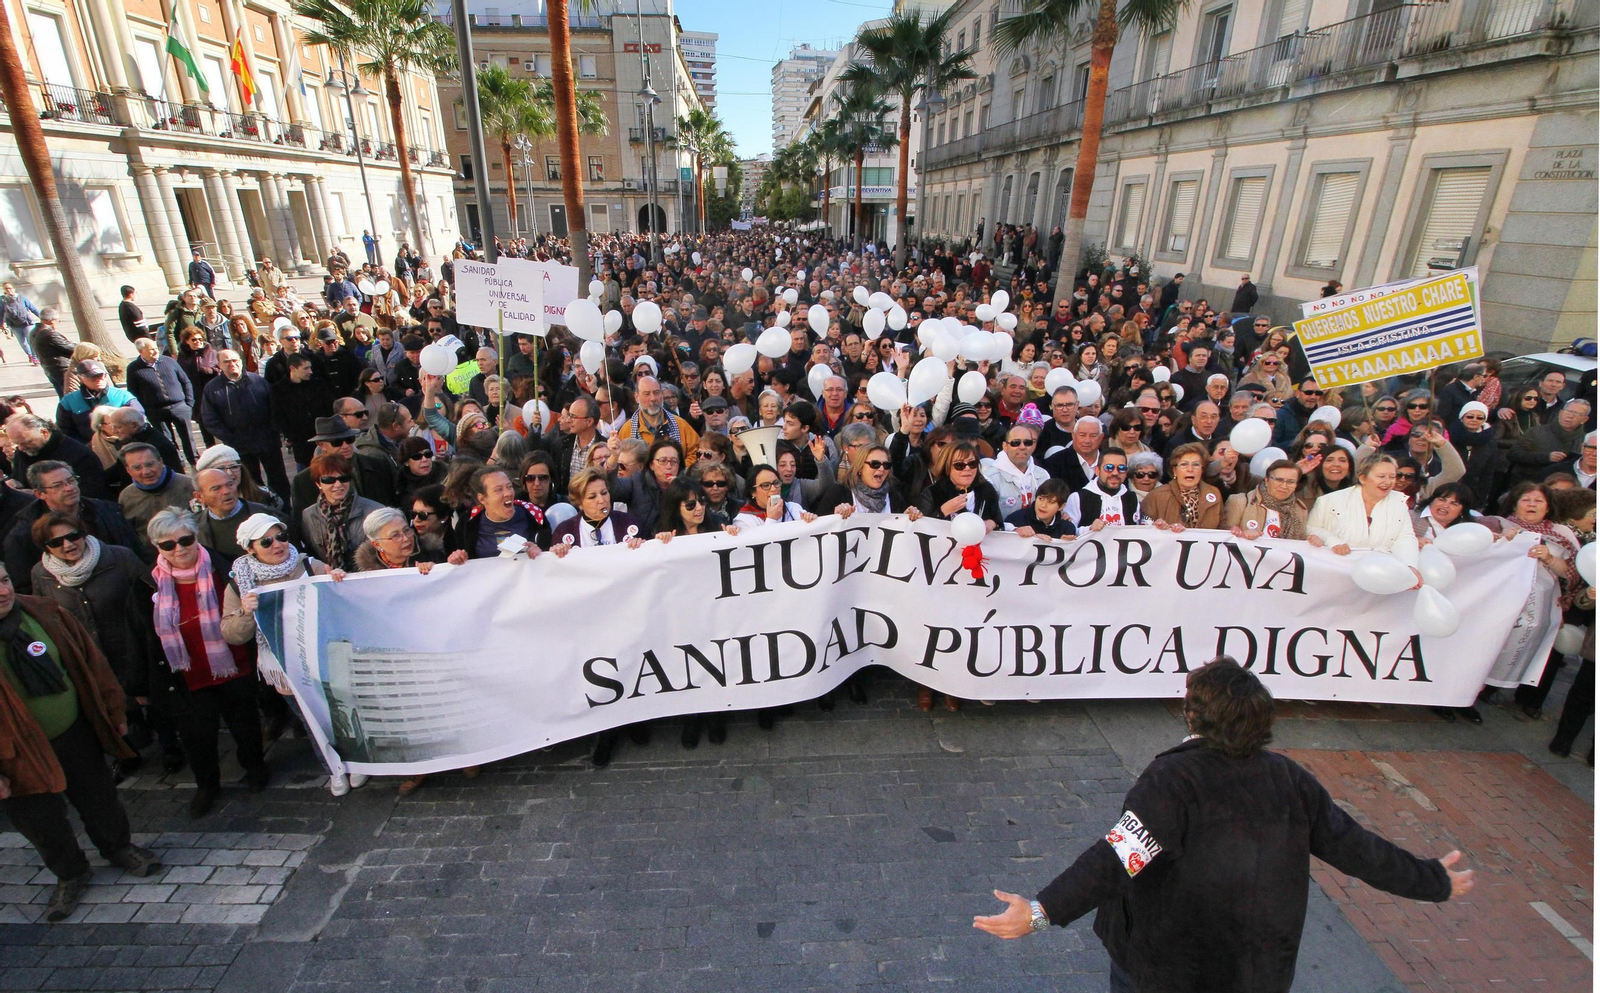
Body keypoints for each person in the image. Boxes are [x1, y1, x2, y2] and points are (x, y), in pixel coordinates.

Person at [973, 657, 1473, 993]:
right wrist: (1432, 880)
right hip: (1258, 969)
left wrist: (1039, 913)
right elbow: (1356, 847)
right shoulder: (1289, 778)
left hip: (1165, 967)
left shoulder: (1173, 781)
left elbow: (1116, 859)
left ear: (1195, 716)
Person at [0, 559, 163, 921]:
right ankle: (71, 873)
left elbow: (92, 663)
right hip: (16, 755)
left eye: (5, 579)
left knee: (100, 798)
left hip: (74, 732)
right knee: (40, 822)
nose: (3, 591)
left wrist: (113, 712)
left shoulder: (45, 612)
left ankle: (118, 848)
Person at [143, 507, 269, 819]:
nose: (179, 549)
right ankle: (207, 785)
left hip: (234, 663)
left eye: (185, 540)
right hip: (187, 671)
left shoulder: (226, 568)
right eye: (168, 545)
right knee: (197, 733)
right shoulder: (148, 582)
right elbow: (140, 632)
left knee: (245, 722)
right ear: (157, 548)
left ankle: (255, 767)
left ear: (196, 537)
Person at [199, 349, 291, 499]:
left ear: (241, 362)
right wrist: (231, 438)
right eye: (227, 362)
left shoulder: (258, 381)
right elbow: (210, 419)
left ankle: (285, 506)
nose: (232, 364)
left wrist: (274, 431)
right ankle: (260, 508)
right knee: (250, 482)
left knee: (278, 478)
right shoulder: (212, 389)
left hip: (267, 440)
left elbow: (275, 408)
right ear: (219, 365)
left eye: (235, 360)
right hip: (239, 445)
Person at [1307, 452, 1420, 567]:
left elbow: (1405, 537)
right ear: (1363, 478)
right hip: (1336, 566)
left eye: (1392, 477)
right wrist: (1331, 541)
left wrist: (1410, 566)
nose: (1388, 482)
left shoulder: (1399, 502)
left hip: (1381, 569)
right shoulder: (1329, 501)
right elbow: (1311, 528)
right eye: (1381, 476)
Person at [300, 454, 383, 571]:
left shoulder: (374, 511)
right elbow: (312, 554)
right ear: (318, 484)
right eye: (329, 480)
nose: (338, 485)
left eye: (343, 478)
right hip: (331, 580)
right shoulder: (309, 515)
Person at [126, 338, 198, 464]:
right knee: (167, 440)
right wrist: (145, 411)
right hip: (156, 411)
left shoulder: (168, 361)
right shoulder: (134, 368)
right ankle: (176, 463)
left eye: (155, 348)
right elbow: (133, 392)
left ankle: (194, 461)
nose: (155, 351)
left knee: (188, 438)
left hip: (179, 407)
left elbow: (185, 381)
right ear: (141, 351)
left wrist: (189, 403)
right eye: (151, 349)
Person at [454, 466, 551, 559]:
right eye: (498, 490)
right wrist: (458, 558)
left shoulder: (535, 516)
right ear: (482, 499)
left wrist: (540, 552)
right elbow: (454, 561)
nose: (508, 493)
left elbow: (549, 558)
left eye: (509, 487)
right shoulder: (467, 523)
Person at [117, 443, 196, 539]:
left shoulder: (190, 486)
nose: (146, 472)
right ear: (128, 470)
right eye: (137, 467)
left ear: (161, 462)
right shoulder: (127, 496)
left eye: (150, 464)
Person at [1141, 443, 1224, 531]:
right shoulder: (1157, 495)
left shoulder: (1214, 493)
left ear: (1202, 470)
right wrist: (1159, 527)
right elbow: (1142, 530)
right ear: (1174, 470)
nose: (1190, 469)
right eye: (1184, 464)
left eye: (1196, 464)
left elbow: (1223, 528)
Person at [984, 424, 1052, 521]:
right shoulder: (990, 478)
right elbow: (988, 520)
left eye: (1028, 442)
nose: (1022, 447)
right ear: (1005, 446)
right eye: (1016, 443)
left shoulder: (1043, 475)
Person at [1063, 448, 1142, 530]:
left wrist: (1153, 527)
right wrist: (1089, 529)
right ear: (1097, 470)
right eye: (1109, 467)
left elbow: (1137, 531)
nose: (1115, 473)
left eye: (1121, 468)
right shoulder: (1078, 498)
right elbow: (1068, 533)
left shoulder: (1132, 498)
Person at [1226, 460, 1307, 540]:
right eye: (1279, 480)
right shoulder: (1240, 502)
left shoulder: (1300, 508)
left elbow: (1301, 541)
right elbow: (1222, 537)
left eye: (1291, 482)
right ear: (1266, 480)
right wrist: (1242, 534)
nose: (1284, 486)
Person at [1004, 477, 1075, 539]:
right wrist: (1016, 531)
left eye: (1051, 502)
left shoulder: (1066, 527)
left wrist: (1064, 543)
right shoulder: (1016, 519)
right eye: (1041, 499)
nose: (1043, 505)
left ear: (1061, 506)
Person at [28, 309, 75, 398]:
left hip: (49, 369)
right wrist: (83, 347)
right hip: (62, 369)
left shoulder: (33, 332)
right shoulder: (50, 334)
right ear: (52, 320)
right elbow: (70, 348)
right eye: (58, 321)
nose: (58, 323)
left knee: (63, 396)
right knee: (70, 396)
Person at [1, 280, 39, 362]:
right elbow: (1, 312)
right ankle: (30, 355)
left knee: (31, 340)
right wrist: (1, 324)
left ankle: (35, 357)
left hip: (27, 323)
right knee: (23, 343)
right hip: (14, 325)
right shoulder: (3, 300)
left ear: (14, 288)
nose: (8, 290)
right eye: (6, 289)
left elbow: (33, 308)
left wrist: (42, 317)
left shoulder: (22, 298)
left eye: (10, 288)